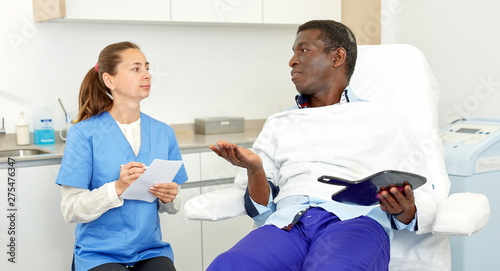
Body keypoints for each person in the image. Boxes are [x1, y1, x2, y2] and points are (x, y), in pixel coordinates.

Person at [207, 20, 439, 270]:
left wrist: (405, 209)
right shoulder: (280, 123)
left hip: (354, 223)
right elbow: (263, 211)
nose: (292, 61)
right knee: (229, 265)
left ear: (337, 56)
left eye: (303, 50)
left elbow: (423, 194)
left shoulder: (384, 120)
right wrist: (255, 169)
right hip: (288, 224)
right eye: (293, 52)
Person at [56, 41, 188, 271]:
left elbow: (174, 204)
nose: (147, 75)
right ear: (110, 80)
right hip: (99, 254)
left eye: (147, 67)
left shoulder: (163, 132)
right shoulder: (83, 133)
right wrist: (116, 187)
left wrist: (170, 197)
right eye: (136, 69)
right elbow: (71, 209)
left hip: (150, 250)